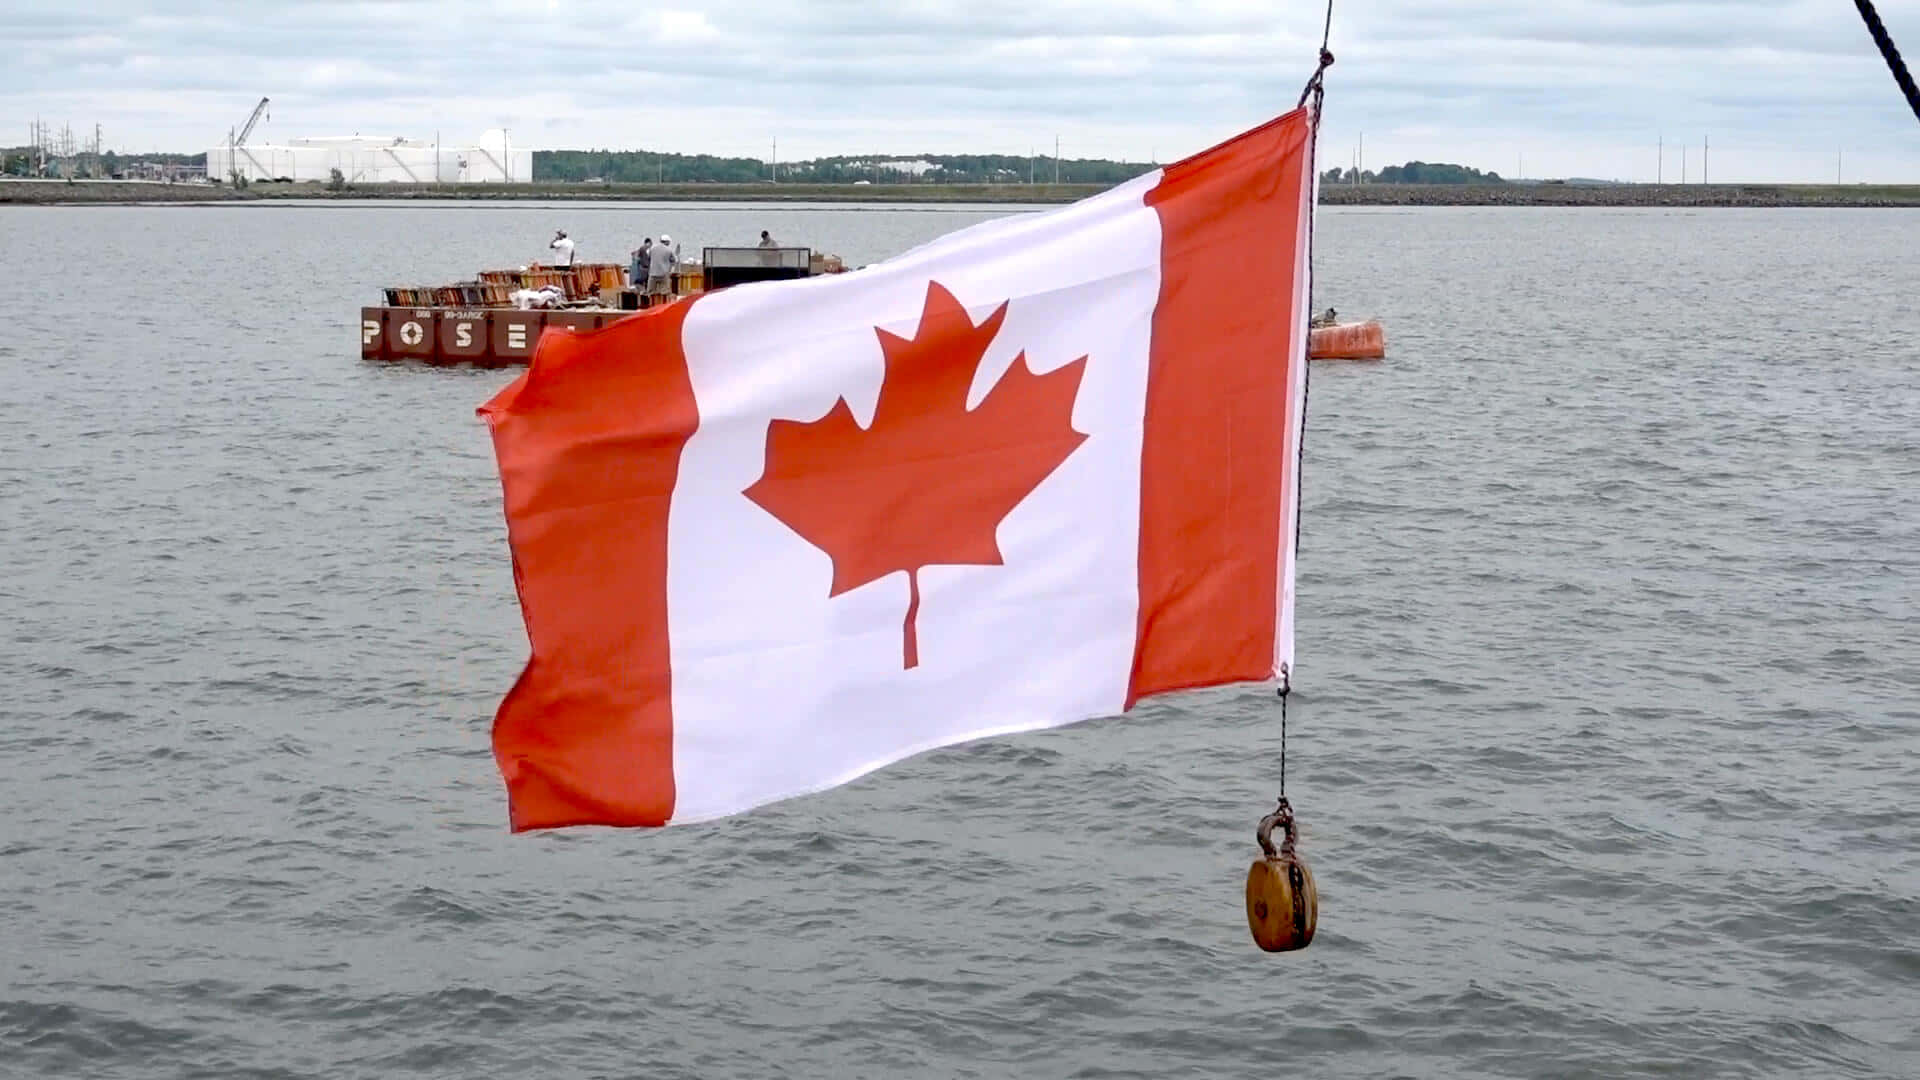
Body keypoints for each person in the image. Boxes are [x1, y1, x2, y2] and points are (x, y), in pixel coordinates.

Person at [646, 232, 679, 302]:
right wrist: (670, 269)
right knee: (665, 293)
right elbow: (674, 261)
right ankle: (663, 306)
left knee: (650, 293)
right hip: (664, 274)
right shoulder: (669, 250)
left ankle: (651, 306)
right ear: (667, 242)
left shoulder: (652, 249)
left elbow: (648, 258)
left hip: (652, 274)